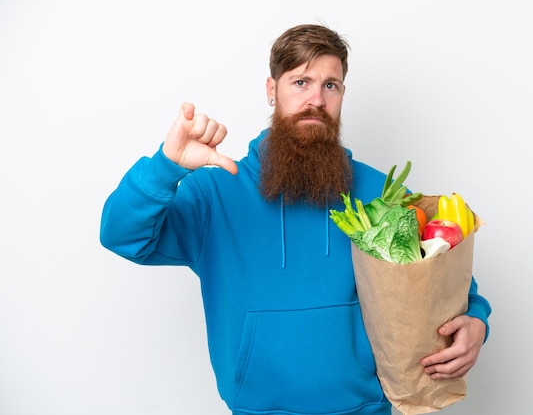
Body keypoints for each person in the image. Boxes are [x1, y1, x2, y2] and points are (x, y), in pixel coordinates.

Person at [100, 24, 491, 415]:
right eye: (301, 82)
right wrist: (166, 167)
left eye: (330, 85)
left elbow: (439, 277)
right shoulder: (216, 193)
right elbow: (121, 235)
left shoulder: (380, 193)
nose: (316, 100)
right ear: (272, 90)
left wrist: (476, 319)